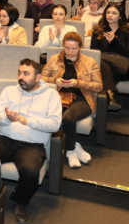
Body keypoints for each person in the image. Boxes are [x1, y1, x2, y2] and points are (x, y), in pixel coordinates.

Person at [41, 33, 101, 170]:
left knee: (68, 118)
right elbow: (41, 78)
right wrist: (54, 81)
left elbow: (99, 86)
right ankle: (74, 147)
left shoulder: (89, 61)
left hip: (83, 98)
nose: (69, 52)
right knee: (54, 119)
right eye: (67, 48)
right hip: (59, 97)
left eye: (74, 48)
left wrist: (78, 83)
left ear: (80, 47)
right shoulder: (54, 59)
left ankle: (69, 151)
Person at [90, 3, 129, 111]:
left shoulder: (128, 31)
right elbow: (94, 52)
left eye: (114, 13)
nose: (110, 15)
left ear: (120, 16)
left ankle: (110, 96)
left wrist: (115, 42)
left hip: (122, 64)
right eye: (108, 12)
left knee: (100, 60)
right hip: (107, 67)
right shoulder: (98, 30)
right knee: (101, 63)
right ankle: (111, 96)